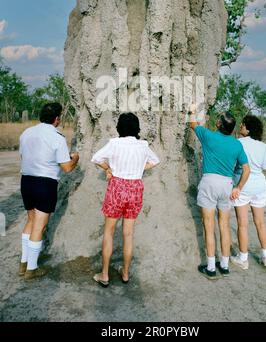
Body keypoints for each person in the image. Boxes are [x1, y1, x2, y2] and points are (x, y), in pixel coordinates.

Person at [91, 112, 160, 287]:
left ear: (119, 127)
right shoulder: (143, 145)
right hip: (135, 188)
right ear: (137, 128)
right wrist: (139, 168)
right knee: (128, 234)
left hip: (117, 187)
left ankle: (105, 275)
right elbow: (155, 161)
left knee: (109, 232)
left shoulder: (114, 143)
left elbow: (96, 158)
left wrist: (109, 169)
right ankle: (126, 273)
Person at [19, 102, 79, 280]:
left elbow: (23, 156)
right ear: (57, 119)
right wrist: (75, 158)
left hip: (27, 180)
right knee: (40, 225)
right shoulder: (57, 137)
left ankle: (23, 262)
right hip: (45, 183)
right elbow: (67, 167)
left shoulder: (26, 133)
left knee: (30, 220)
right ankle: (31, 269)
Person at [189, 105, 250, 279]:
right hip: (227, 185)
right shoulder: (237, 144)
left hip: (209, 182)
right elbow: (246, 170)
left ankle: (210, 267)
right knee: (224, 225)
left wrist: (192, 110)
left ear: (218, 124)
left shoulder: (208, 136)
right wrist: (238, 188)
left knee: (208, 226)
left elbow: (192, 124)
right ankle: (224, 265)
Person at [231, 115, 266, 270]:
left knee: (242, 224)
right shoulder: (262, 146)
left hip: (242, 186)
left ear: (248, 128)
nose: (240, 127)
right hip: (260, 187)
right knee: (260, 222)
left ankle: (243, 259)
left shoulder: (237, 143)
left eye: (242, 125)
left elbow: (232, 164)